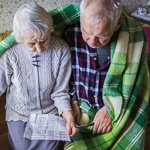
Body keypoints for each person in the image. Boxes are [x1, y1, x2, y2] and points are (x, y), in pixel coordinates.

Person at [64, 0, 149, 149]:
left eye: (102, 35)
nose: (92, 42)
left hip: (119, 108)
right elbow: (65, 74)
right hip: (81, 107)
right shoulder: (69, 31)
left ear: (118, 23)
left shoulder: (134, 36)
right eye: (86, 32)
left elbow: (134, 82)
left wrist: (109, 109)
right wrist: (73, 101)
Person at [0, 3, 77, 150]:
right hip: (20, 114)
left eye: (43, 40)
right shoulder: (10, 54)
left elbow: (60, 91)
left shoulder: (61, 50)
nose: (39, 49)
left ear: (50, 31)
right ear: (20, 38)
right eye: (31, 43)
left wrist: (68, 117)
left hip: (49, 113)